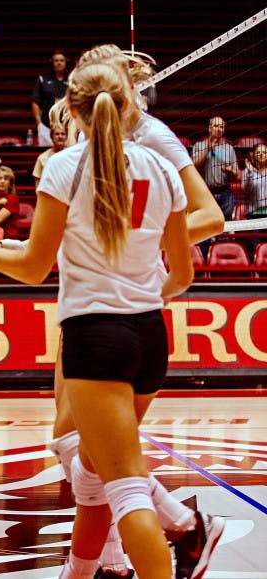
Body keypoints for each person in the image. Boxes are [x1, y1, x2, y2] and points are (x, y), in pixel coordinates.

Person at [0, 59, 223, 579]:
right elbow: (180, 274)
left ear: (69, 111)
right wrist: (137, 290)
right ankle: (86, 569)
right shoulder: (159, 168)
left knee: (125, 485)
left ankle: (181, 529)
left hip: (95, 337)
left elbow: (33, 268)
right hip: (150, 335)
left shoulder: (65, 166)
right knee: (92, 470)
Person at [46, 44, 226, 579]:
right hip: (91, 301)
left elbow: (211, 215)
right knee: (82, 450)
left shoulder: (151, 137)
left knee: (90, 453)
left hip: (117, 304)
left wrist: (131, 243)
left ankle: (166, 532)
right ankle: (113, 559)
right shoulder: (92, 133)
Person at [192, 115, 238, 223]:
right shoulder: (199, 146)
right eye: (216, 126)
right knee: (206, 226)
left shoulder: (229, 148)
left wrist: (231, 171)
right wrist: (208, 148)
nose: (219, 129)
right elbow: (194, 166)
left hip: (225, 192)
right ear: (209, 128)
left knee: (226, 226)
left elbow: (237, 174)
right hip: (205, 192)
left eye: (221, 127)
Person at [31, 50, 69, 146]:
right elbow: (35, 102)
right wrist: (39, 124)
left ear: (65, 62)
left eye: (61, 60)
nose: (59, 63)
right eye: (56, 60)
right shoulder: (43, 80)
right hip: (46, 126)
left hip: (67, 127)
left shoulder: (72, 80)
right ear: (52, 63)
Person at [33, 103, 70, 187]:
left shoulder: (71, 156)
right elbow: (37, 183)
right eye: (57, 134)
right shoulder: (42, 158)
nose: (60, 136)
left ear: (67, 136)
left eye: (63, 134)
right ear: (51, 137)